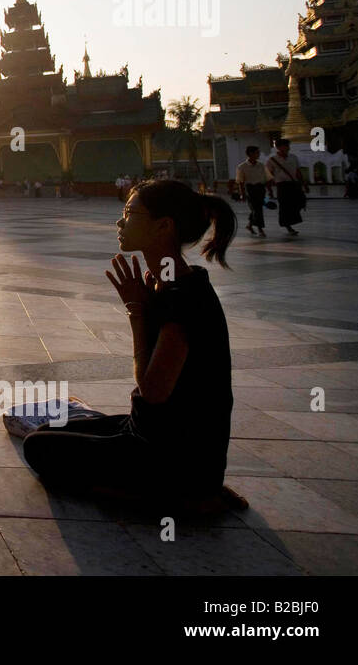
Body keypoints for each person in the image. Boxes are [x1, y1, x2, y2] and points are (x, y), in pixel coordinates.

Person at [21, 179, 247, 512]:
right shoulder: (167, 283)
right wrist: (143, 308)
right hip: (152, 431)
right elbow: (153, 390)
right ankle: (186, 489)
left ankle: (182, 498)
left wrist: (137, 313)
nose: (120, 221)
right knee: (50, 430)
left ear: (163, 226)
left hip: (171, 455)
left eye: (130, 212)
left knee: (38, 448)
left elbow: (153, 391)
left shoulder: (184, 296)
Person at [265, 138, 307, 236]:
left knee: (299, 202)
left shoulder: (293, 157)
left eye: (288, 145)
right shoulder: (272, 160)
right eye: (285, 146)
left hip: (293, 183)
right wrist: (269, 189)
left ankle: (292, 221)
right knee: (284, 206)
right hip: (282, 185)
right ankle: (288, 226)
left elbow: (298, 172)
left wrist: (303, 183)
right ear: (278, 147)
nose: (288, 148)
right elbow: (269, 175)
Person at [235, 145, 271, 237]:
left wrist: (269, 190)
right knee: (256, 209)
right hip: (250, 189)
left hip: (260, 189)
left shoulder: (261, 165)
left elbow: (267, 178)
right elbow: (240, 182)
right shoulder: (242, 167)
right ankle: (260, 229)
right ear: (250, 154)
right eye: (257, 153)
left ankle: (250, 225)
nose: (258, 154)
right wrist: (242, 193)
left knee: (256, 209)